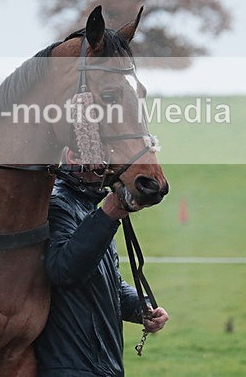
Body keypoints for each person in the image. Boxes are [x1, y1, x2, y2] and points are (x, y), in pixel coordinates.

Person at [34, 148, 170, 376]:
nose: (111, 164)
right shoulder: (57, 204)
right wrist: (108, 215)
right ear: (72, 157)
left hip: (100, 366)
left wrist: (142, 307)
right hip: (70, 367)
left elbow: (109, 284)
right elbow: (63, 271)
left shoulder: (88, 207)